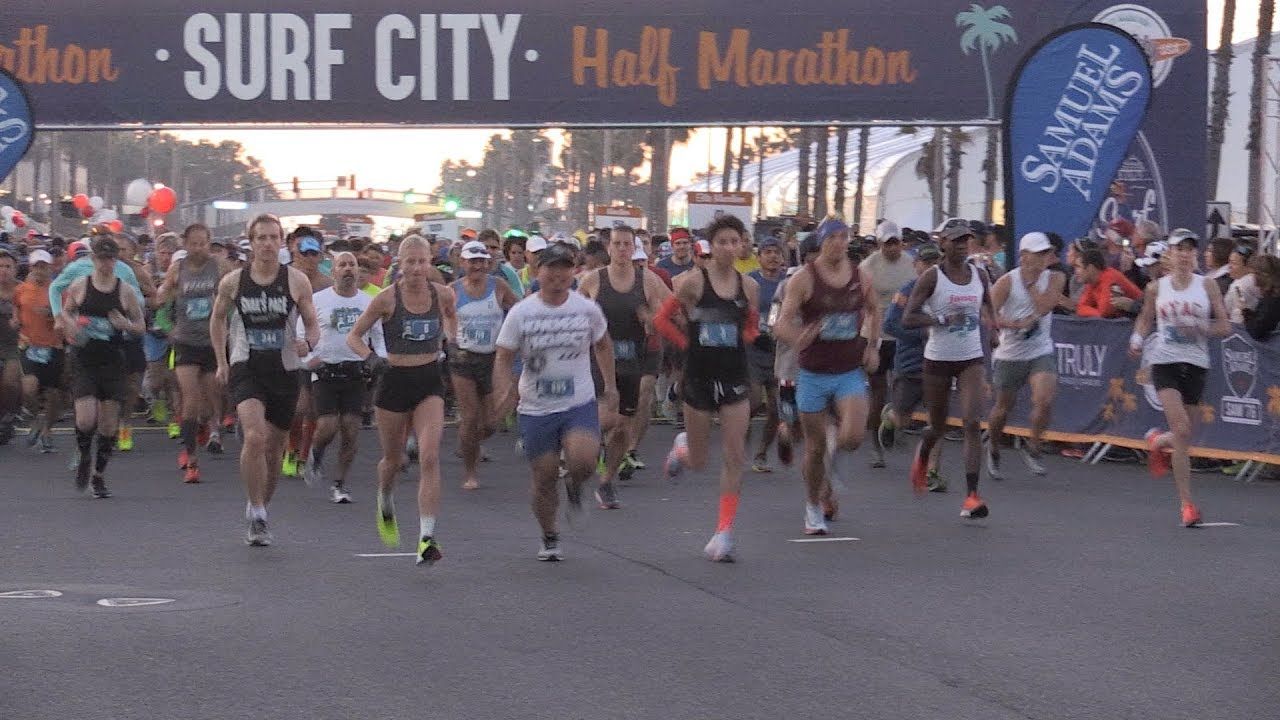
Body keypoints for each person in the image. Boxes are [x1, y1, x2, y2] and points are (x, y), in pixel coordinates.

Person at [492, 241, 617, 561]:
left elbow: (603, 345)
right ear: (539, 271)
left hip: (578, 401)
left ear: (573, 271)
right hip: (536, 407)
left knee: (584, 460)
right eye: (551, 268)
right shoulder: (523, 312)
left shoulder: (585, 308)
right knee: (544, 477)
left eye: (565, 268)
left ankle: (575, 486)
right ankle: (549, 535)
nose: (558, 275)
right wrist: (504, 391)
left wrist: (611, 386)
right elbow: (504, 356)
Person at [346, 235, 457, 566]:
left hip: (429, 381)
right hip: (393, 381)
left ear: (430, 263)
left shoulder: (443, 294)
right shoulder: (385, 299)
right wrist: (371, 359)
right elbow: (353, 336)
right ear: (399, 263)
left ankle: (426, 537)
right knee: (393, 461)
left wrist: (451, 339)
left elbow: (451, 316)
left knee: (430, 456)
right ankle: (385, 496)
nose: (417, 268)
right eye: (410, 262)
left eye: (423, 261)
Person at [210, 214, 320, 547]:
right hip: (247, 366)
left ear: (283, 242)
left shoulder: (297, 281)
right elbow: (217, 321)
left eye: (273, 237)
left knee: (274, 450)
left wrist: (308, 342)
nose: (267, 243)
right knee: (255, 437)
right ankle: (256, 512)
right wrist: (221, 360)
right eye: (261, 238)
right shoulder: (233, 281)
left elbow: (313, 324)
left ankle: (261, 507)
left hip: (285, 370)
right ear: (251, 242)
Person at [655, 215, 760, 561]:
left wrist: (736, 341)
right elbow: (661, 319)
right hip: (698, 377)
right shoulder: (692, 284)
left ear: (743, 244)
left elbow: (752, 328)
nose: (730, 247)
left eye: (735, 241)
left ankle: (723, 532)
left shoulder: (749, 287)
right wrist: (688, 344)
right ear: (710, 247)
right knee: (700, 461)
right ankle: (681, 449)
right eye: (722, 242)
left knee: (734, 456)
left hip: (733, 377)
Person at [774, 218, 880, 535]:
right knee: (815, 448)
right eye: (833, 237)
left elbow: (875, 309)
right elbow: (780, 323)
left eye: (843, 237)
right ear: (821, 241)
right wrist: (798, 338)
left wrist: (872, 345)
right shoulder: (804, 280)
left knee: (853, 436)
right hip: (813, 372)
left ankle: (830, 468)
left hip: (848, 368)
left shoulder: (860, 276)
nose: (839, 243)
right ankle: (812, 506)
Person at [1128, 229, 1230, 527]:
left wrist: (1200, 329)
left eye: (1190, 249)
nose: (1185, 254)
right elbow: (1146, 317)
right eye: (1179, 249)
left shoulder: (1207, 285)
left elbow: (1225, 326)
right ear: (1169, 255)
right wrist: (1137, 338)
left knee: (1185, 437)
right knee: (1182, 428)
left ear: (1194, 255)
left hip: (1197, 363)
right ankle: (1187, 506)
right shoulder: (1157, 288)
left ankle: (1157, 441)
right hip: (1165, 362)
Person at [903, 223, 996, 518]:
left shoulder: (979, 275)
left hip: (971, 358)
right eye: (956, 241)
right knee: (938, 426)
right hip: (938, 359)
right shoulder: (932, 277)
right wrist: (942, 319)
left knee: (971, 422)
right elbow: (909, 318)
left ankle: (972, 497)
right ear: (943, 243)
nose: (962, 245)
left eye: (966, 240)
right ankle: (924, 451)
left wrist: (993, 329)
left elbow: (989, 305)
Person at [578, 226, 671, 509]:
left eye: (626, 244)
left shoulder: (648, 280)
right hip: (597, 359)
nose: (621, 249)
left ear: (634, 248)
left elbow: (671, 309)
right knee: (604, 419)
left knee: (621, 427)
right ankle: (580, 442)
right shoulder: (593, 280)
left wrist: (652, 317)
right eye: (616, 244)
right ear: (609, 248)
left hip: (633, 360)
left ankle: (606, 481)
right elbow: (575, 315)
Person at [60, 237, 147, 498]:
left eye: (110, 258)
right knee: (85, 418)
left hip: (112, 361)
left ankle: (99, 475)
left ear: (115, 260)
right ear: (93, 259)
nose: (106, 263)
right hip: (84, 359)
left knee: (108, 426)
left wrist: (125, 325)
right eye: (101, 258)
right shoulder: (80, 286)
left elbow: (140, 326)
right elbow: (66, 312)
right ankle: (85, 455)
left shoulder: (125, 291)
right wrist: (72, 324)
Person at [301, 251, 385, 503]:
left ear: (358, 270)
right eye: (343, 265)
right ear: (333, 271)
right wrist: (308, 360)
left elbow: (378, 335)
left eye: (352, 264)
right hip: (325, 369)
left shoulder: (369, 301)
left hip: (355, 371)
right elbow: (300, 333)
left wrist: (379, 360)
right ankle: (315, 453)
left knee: (351, 429)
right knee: (327, 426)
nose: (348, 269)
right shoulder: (318, 300)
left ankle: (339, 484)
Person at [985, 232, 1066, 479]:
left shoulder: (1056, 277)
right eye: (1038, 253)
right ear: (1023, 256)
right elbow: (988, 315)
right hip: (1010, 353)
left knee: (1044, 400)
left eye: (1046, 253)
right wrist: (1012, 324)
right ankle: (994, 446)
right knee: (1002, 408)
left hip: (1040, 349)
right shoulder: (1007, 282)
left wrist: (1031, 286)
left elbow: (1044, 306)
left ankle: (1033, 447)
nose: (1044, 258)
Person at [155, 224, 227, 483]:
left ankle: (205, 431)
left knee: (210, 401)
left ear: (209, 243)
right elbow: (162, 297)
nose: (198, 248)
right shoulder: (179, 268)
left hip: (212, 341)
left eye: (203, 243)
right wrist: (166, 317)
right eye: (193, 243)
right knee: (191, 400)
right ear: (185, 244)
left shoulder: (218, 266)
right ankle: (191, 459)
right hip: (186, 341)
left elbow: (234, 291)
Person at [449, 240, 517, 491]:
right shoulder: (453, 290)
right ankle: (470, 472)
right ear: (463, 262)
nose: (477, 265)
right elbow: (441, 318)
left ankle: (468, 443)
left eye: (481, 261)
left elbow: (518, 310)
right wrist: (448, 340)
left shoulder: (498, 286)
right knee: (469, 417)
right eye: (472, 261)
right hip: (463, 359)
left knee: (490, 422)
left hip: (492, 358)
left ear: (487, 263)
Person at [879, 244, 947, 490]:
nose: (929, 267)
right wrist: (922, 333)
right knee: (903, 419)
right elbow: (890, 325)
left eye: (934, 263)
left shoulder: (946, 291)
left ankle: (931, 472)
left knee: (937, 420)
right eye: (925, 263)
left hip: (939, 363)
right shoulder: (908, 291)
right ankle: (890, 417)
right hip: (910, 363)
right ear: (916, 265)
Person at [859, 221, 918, 468]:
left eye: (896, 243)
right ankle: (874, 443)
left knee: (907, 387)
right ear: (879, 244)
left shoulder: (911, 263)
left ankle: (894, 423)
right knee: (878, 390)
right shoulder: (867, 267)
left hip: (903, 335)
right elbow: (860, 305)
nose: (892, 248)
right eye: (887, 244)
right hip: (877, 334)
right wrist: (868, 341)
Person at [13, 249, 63, 452]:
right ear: (31, 268)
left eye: (44, 266)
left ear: (50, 268)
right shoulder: (22, 289)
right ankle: (35, 419)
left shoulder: (58, 289)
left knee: (53, 394)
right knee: (29, 389)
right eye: (37, 266)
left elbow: (69, 312)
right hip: (28, 345)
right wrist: (16, 319)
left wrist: (53, 313)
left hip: (53, 346)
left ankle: (47, 431)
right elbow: (17, 307)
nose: (40, 271)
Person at [745, 236, 786, 472]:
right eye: (767, 252)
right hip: (752, 349)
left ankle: (761, 454)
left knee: (776, 407)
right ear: (758, 256)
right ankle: (741, 449)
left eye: (777, 252)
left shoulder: (789, 281)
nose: (772, 256)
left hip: (777, 349)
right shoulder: (750, 280)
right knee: (750, 403)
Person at [1075, 248, 1142, 318]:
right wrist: (1097, 313)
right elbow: (1080, 308)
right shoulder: (1091, 283)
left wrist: (1095, 313)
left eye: (1078, 267)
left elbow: (1105, 313)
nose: (1075, 272)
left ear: (1090, 268)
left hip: (1140, 318)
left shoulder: (1110, 277)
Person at [0, 248, 21, 443]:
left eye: (8, 266)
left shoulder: (23, 290)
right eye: (0, 266)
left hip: (15, 345)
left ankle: (9, 417)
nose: (3, 270)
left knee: (9, 381)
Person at [1224, 243, 1260, 324]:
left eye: (1234, 263)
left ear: (1248, 266)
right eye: (1229, 262)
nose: (1229, 266)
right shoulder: (1257, 280)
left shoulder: (1240, 285)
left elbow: (1238, 316)